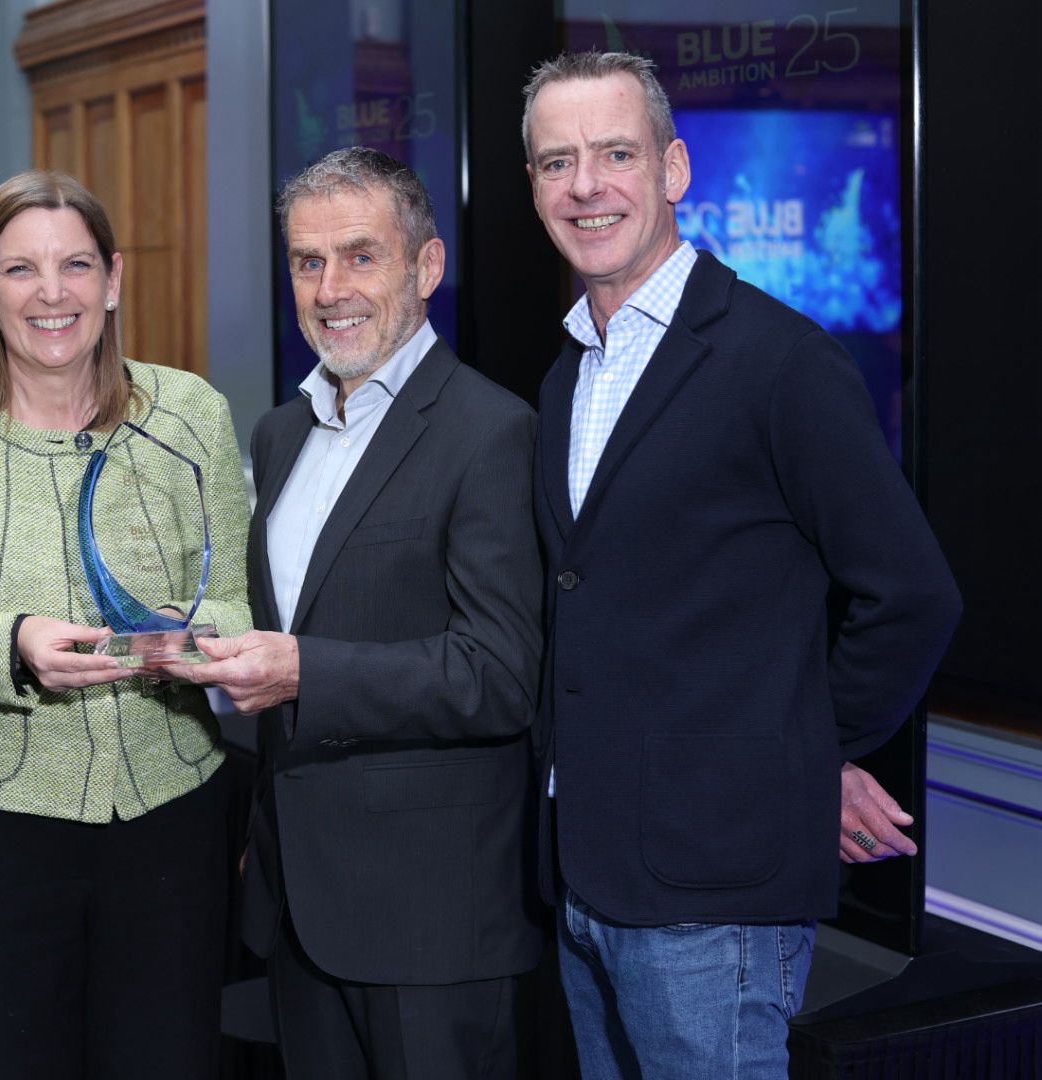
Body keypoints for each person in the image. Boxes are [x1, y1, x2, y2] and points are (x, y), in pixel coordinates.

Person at [520, 51, 962, 1077]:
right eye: (556, 162)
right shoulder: (565, 377)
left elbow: (912, 594)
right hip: (585, 871)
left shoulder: (782, 360)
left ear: (674, 169)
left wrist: (802, 754)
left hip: (714, 885)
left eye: (615, 153)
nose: (586, 186)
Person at [0, 170, 252, 1080]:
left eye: (75, 265)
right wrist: (11, 646)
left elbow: (236, 605)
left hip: (170, 826)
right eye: (21, 269)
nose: (51, 293)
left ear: (113, 279)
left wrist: (186, 633)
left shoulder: (192, 414)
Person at [170, 147, 543, 1078]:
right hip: (297, 904)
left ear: (427, 266)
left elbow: (498, 675)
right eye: (308, 261)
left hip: (432, 919)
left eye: (360, 255)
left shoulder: (491, 432)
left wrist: (302, 671)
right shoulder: (280, 432)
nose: (330, 289)